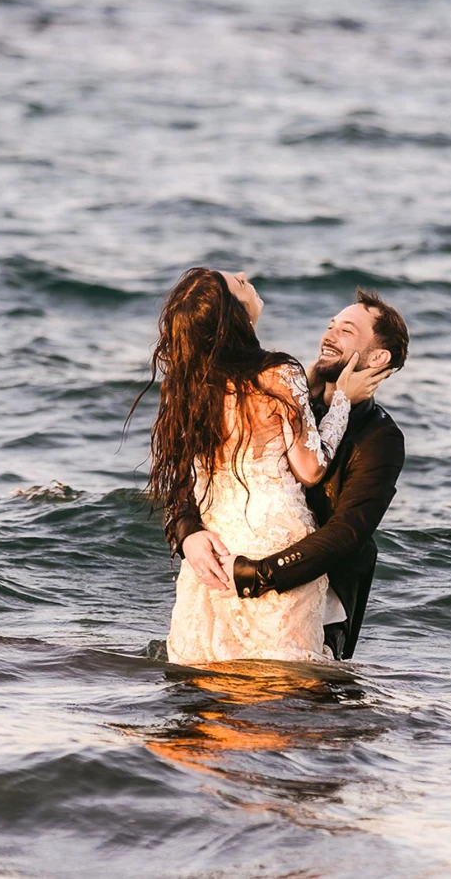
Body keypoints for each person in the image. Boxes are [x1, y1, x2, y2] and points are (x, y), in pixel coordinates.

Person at [133, 267, 389, 664]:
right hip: (274, 540)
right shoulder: (279, 373)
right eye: (237, 282)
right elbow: (311, 469)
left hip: (212, 551)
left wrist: (188, 536)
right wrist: (342, 403)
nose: (243, 273)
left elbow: (179, 478)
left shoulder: (187, 384)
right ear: (236, 313)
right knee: (279, 691)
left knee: (205, 684)